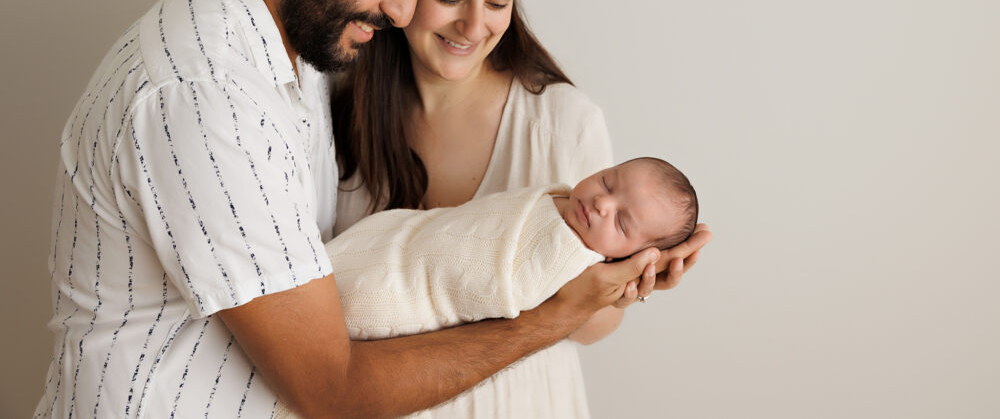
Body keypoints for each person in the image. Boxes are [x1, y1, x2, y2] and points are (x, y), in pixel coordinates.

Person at [34, 0, 684, 419]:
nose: (404, 9)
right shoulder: (207, 98)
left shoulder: (308, 56)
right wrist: (550, 320)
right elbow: (331, 386)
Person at [332, 0, 713, 417]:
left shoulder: (562, 121)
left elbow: (590, 327)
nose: (473, 25)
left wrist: (627, 285)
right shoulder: (341, 113)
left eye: (498, 2)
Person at [275, 158, 698, 418]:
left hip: (410, 305)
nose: (603, 202)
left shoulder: (573, 262)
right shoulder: (561, 199)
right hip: (395, 244)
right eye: (608, 181)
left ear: (631, 257)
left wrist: (629, 285)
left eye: (622, 222)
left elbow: (491, 287)